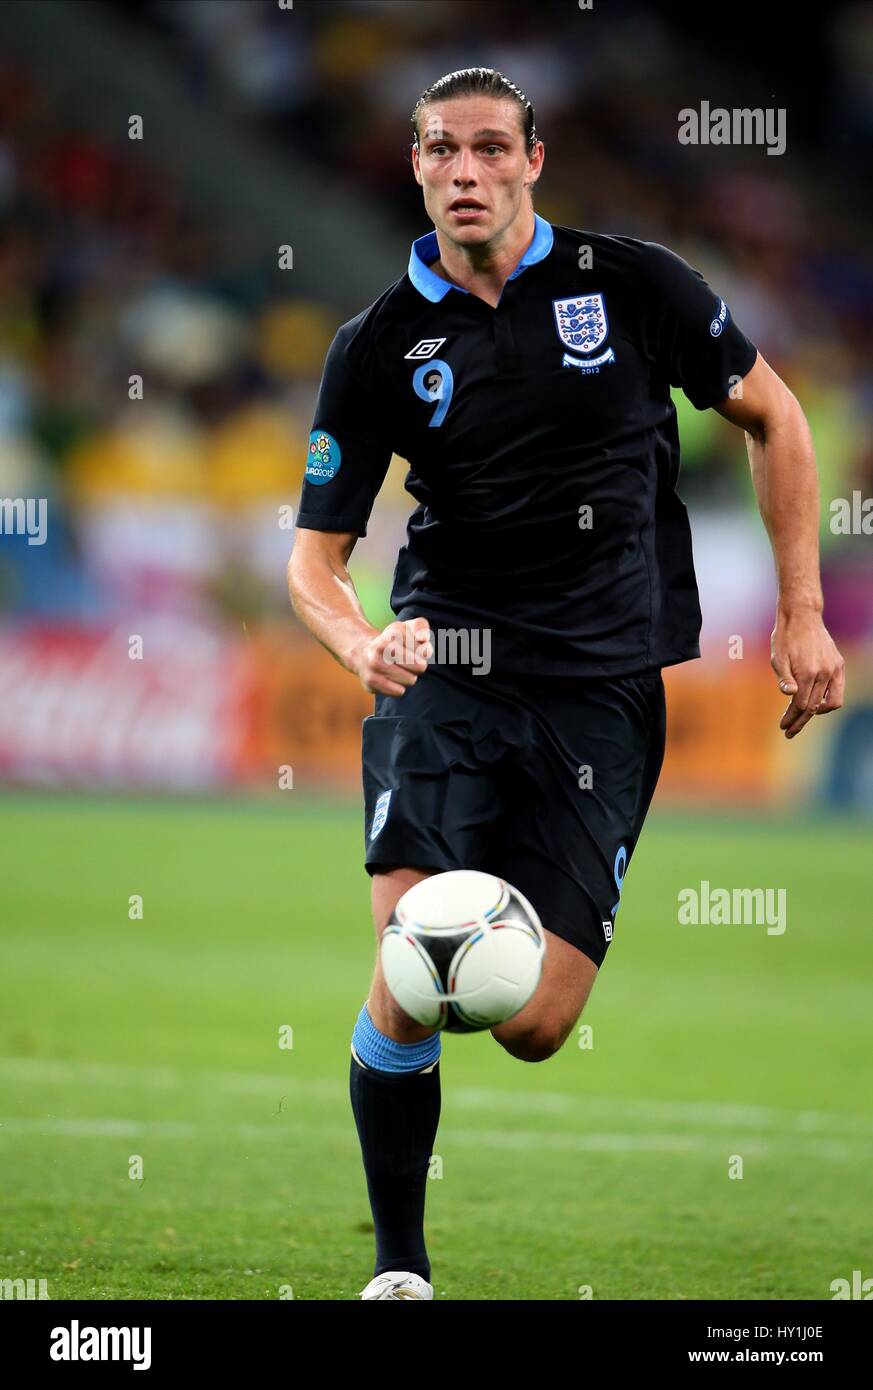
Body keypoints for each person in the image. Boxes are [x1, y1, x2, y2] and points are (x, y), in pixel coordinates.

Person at [287, 67, 845, 1301]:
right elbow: (314, 565)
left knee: (535, 1024)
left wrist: (802, 614)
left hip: (602, 690)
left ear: (535, 159)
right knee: (412, 954)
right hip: (448, 670)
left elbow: (780, 419)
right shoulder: (379, 345)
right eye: (443, 151)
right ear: (418, 167)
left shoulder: (637, 287)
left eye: (492, 148)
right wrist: (360, 645)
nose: (467, 171)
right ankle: (400, 1270)